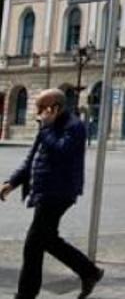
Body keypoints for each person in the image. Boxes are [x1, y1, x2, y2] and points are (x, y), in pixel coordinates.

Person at [1, 89, 104, 299]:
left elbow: (62, 152)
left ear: (54, 107)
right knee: (45, 240)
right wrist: (12, 182)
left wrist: (47, 128)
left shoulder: (74, 127)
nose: (38, 113)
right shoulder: (47, 126)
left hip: (60, 191)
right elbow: (32, 159)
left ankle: (26, 295)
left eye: (41, 108)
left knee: (33, 244)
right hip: (45, 190)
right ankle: (89, 271)